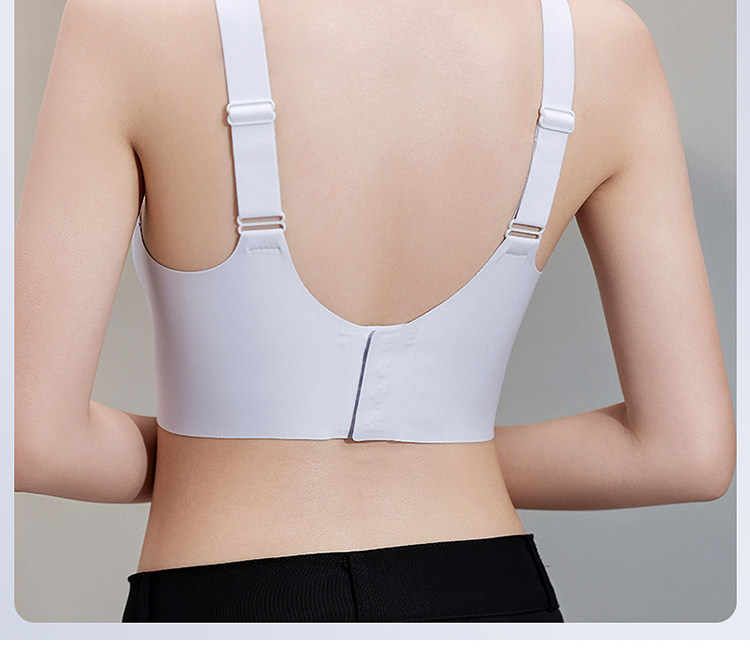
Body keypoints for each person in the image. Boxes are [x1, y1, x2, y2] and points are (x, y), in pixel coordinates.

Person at [14, 0, 735, 623]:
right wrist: (449, 455)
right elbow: (685, 454)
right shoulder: (604, 44)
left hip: (228, 598)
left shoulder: (134, 20)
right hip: (488, 593)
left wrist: (221, 457)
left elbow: (32, 438)